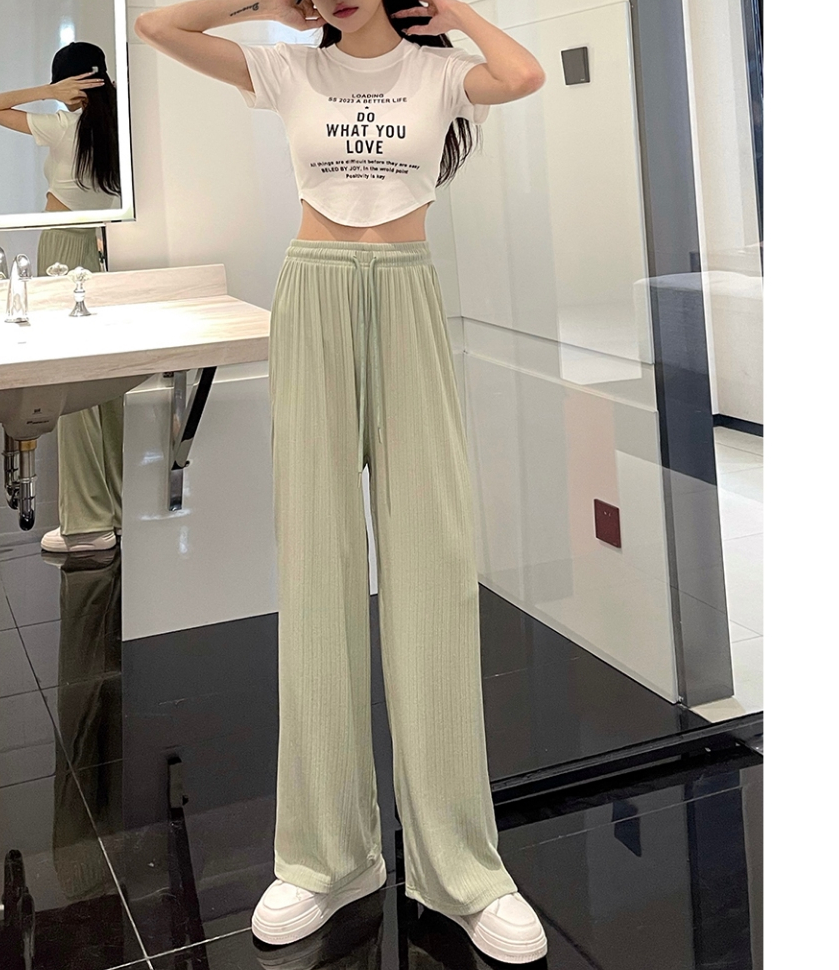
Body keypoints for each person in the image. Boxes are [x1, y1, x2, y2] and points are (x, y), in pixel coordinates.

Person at [136, 1, 547, 963]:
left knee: (433, 567)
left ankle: (463, 869)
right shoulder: (289, 70)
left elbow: (523, 75)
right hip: (313, 290)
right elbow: (157, 27)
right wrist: (261, 6)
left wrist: (451, 8)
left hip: (406, 293)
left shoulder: (440, 72)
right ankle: (326, 858)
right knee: (317, 570)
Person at [0, 42, 125, 556]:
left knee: (73, 388)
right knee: (105, 387)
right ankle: (109, 510)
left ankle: (87, 523)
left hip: (62, 247)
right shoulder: (118, 128)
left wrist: (47, 92)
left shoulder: (62, 125)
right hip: (106, 246)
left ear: (70, 83)